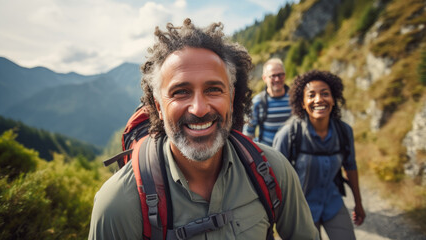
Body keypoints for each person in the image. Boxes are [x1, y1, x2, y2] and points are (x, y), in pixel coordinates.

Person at [88, 19, 319, 240]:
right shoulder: (118, 204)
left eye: (213, 89)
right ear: (158, 108)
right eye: (180, 92)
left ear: (231, 98)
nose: (199, 109)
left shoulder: (274, 171)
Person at [273, 70, 366, 239]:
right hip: (300, 210)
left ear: (333, 99)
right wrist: (277, 216)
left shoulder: (344, 131)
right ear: (302, 102)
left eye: (325, 94)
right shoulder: (289, 134)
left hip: (333, 203)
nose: (319, 100)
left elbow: (350, 166)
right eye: (311, 95)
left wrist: (358, 203)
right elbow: (276, 178)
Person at [244, 58, 292, 146]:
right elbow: (248, 134)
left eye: (280, 75)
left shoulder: (294, 99)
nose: (277, 79)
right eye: (273, 76)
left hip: (293, 156)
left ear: (285, 75)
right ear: (264, 78)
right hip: (269, 156)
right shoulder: (257, 102)